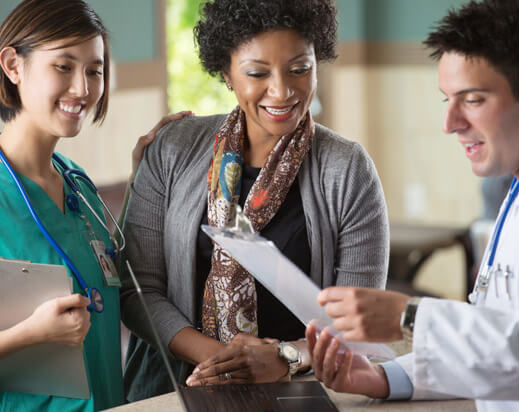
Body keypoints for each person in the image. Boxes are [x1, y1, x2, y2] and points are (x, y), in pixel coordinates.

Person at [119, 0, 389, 402]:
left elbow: (360, 320)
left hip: (301, 393)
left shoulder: (349, 171)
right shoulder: (173, 150)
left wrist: (285, 358)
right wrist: (224, 362)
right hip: (172, 390)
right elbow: (137, 289)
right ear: (226, 73)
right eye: (257, 73)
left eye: (300, 69)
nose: (282, 90)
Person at [307, 1, 519, 411]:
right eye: (447, 99)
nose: (449, 123)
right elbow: (500, 345)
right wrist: (383, 377)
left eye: (473, 99)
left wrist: (409, 317)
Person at [0, 1, 185, 410]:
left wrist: (145, 178)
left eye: (95, 70)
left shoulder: (76, 182)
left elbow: (117, 273)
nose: (83, 88)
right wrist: (31, 333)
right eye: (63, 66)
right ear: (13, 65)